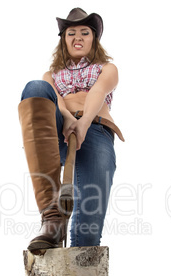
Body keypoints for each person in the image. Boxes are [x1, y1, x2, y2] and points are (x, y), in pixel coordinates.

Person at [18, 8, 124, 251]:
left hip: (95, 129)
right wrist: (67, 119)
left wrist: (84, 122)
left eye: (85, 33)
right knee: (35, 88)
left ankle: (82, 274)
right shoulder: (51, 75)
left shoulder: (106, 68)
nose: (78, 37)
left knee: (87, 234)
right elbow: (56, 99)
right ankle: (52, 219)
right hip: (57, 129)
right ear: (64, 40)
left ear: (93, 39)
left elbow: (98, 92)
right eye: (71, 33)